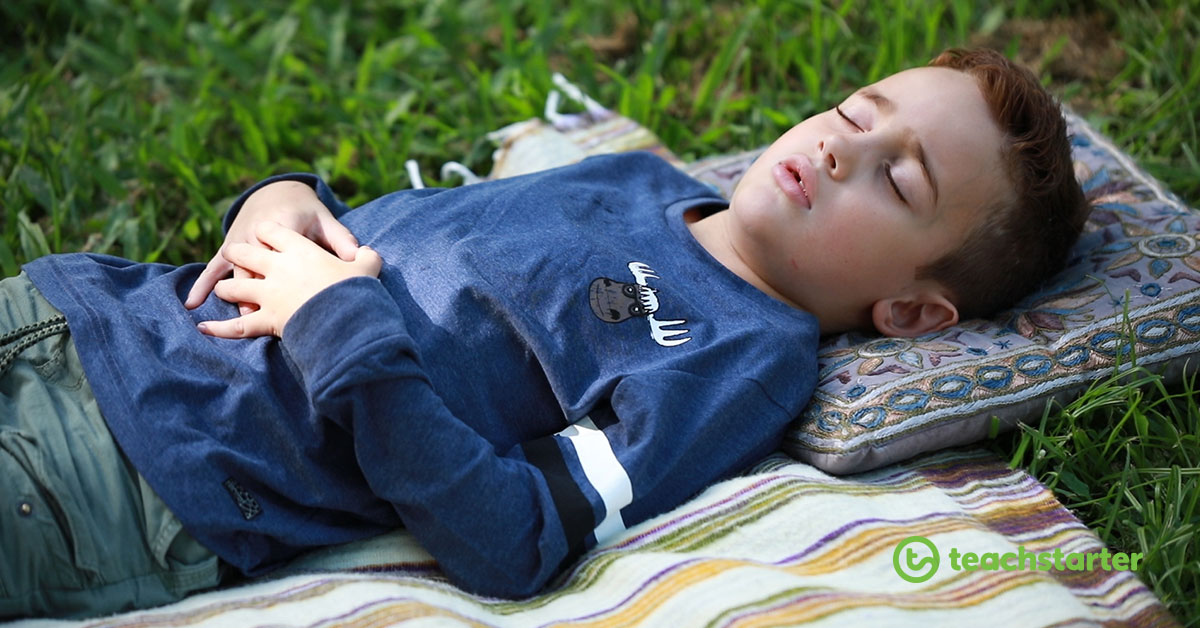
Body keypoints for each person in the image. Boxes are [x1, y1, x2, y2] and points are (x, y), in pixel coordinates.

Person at [0, 48, 1087, 618]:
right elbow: (403, 237)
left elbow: (511, 538)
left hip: (137, 470)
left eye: (899, 178)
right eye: (856, 113)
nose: (845, 148)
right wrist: (280, 198)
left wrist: (341, 330)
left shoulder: (742, 365)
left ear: (908, 310)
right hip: (89, 311)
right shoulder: (642, 181)